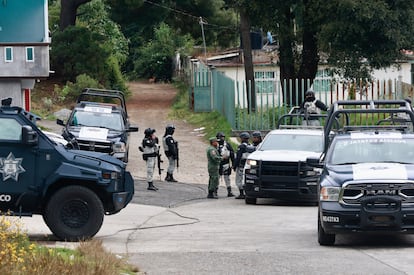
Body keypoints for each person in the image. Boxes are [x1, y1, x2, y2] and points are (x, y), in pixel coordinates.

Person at [232, 132, 255, 199]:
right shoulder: (251, 146)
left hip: (241, 166)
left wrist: (234, 165)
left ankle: (241, 194)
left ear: (242, 138)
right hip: (248, 166)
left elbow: (238, 157)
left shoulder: (241, 147)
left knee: (239, 180)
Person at [216, 132, 235, 197]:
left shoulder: (227, 144)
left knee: (227, 178)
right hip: (218, 164)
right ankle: (215, 191)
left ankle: (229, 191)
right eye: (221, 137)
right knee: (217, 178)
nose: (222, 139)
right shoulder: (215, 145)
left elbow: (232, 154)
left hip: (226, 164)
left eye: (223, 137)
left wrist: (233, 164)